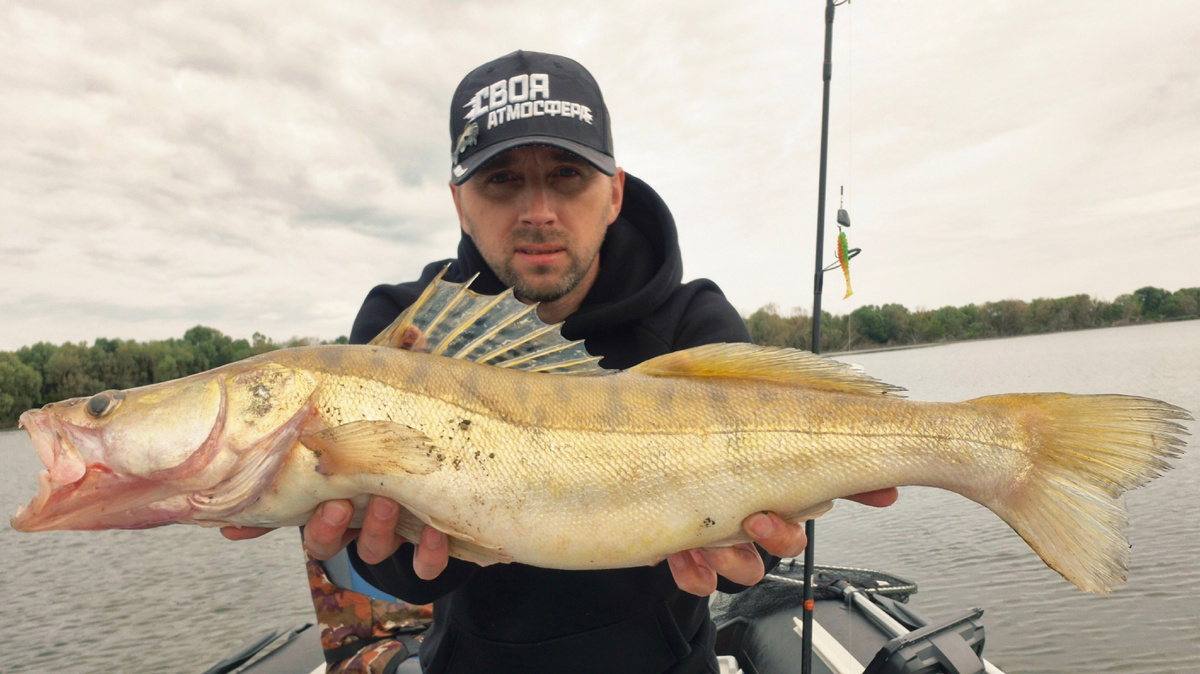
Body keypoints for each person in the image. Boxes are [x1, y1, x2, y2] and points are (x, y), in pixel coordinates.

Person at [225, 50, 896, 673]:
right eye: (502, 180)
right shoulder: (401, 332)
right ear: (459, 200)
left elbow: (735, 554)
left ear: (614, 193)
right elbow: (383, 570)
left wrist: (736, 558)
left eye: (567, 176)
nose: (538, 211)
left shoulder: (693, 323)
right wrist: (403, 559)